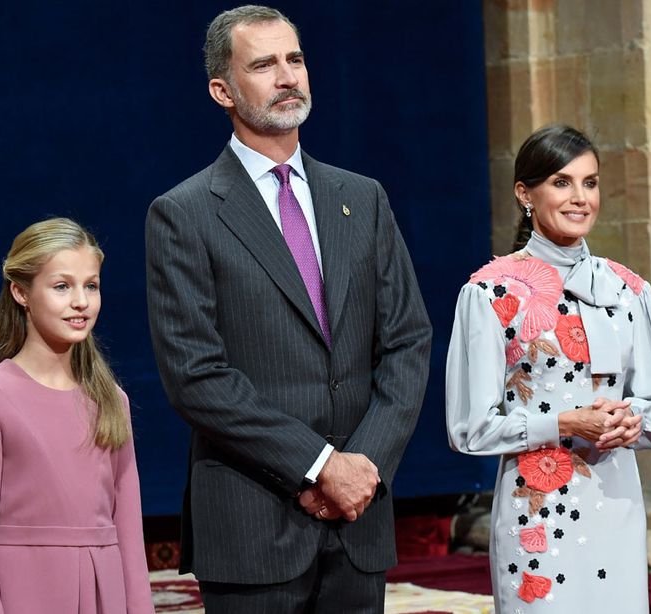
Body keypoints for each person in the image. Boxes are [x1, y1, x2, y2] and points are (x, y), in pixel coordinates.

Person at [144, 5, 432, 612]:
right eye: (264, 64)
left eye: (295, 59)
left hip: (359, 520)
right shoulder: (185, 213)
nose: (287, 77)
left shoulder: (363, 198)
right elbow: (195, 376)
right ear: (222, 89)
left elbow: (408, 340)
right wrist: (318, 466)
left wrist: (363, 468)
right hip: (254, 524)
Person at [445, 124, 651, 612]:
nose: (580, 198)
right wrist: (563, 423)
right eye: (562, 182)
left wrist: (631, 420)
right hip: (538, 518)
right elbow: (469, 428)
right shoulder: (491, 293)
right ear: (524, 193)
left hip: (617, 506)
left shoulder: (629, 290)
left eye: (590, 182)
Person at [0, 218, 154, 614]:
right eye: (62, 286)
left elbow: (129, 531)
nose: (81, 301)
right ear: (21, 292)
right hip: (26, 593)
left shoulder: (112, 400)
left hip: (103, 595)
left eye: (91, 285)